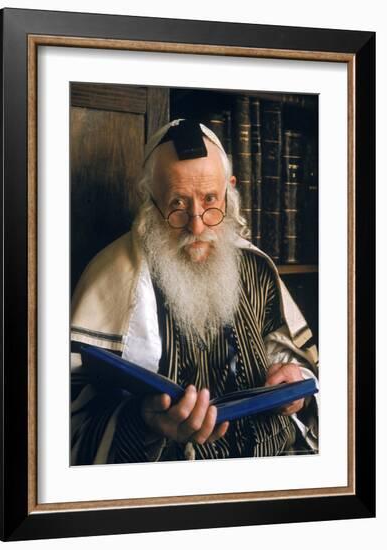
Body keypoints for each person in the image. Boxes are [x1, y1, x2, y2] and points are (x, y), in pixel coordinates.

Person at [70, 119, 319, 465]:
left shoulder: (255, 267)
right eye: (177, 204)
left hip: (276, 460)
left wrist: (296, 384)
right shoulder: (111, 276)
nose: (197, 224)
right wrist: (144, 421)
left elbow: (297, 362)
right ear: (150, 200)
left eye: (210, 200)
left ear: (229, 192)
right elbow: (69, 419)